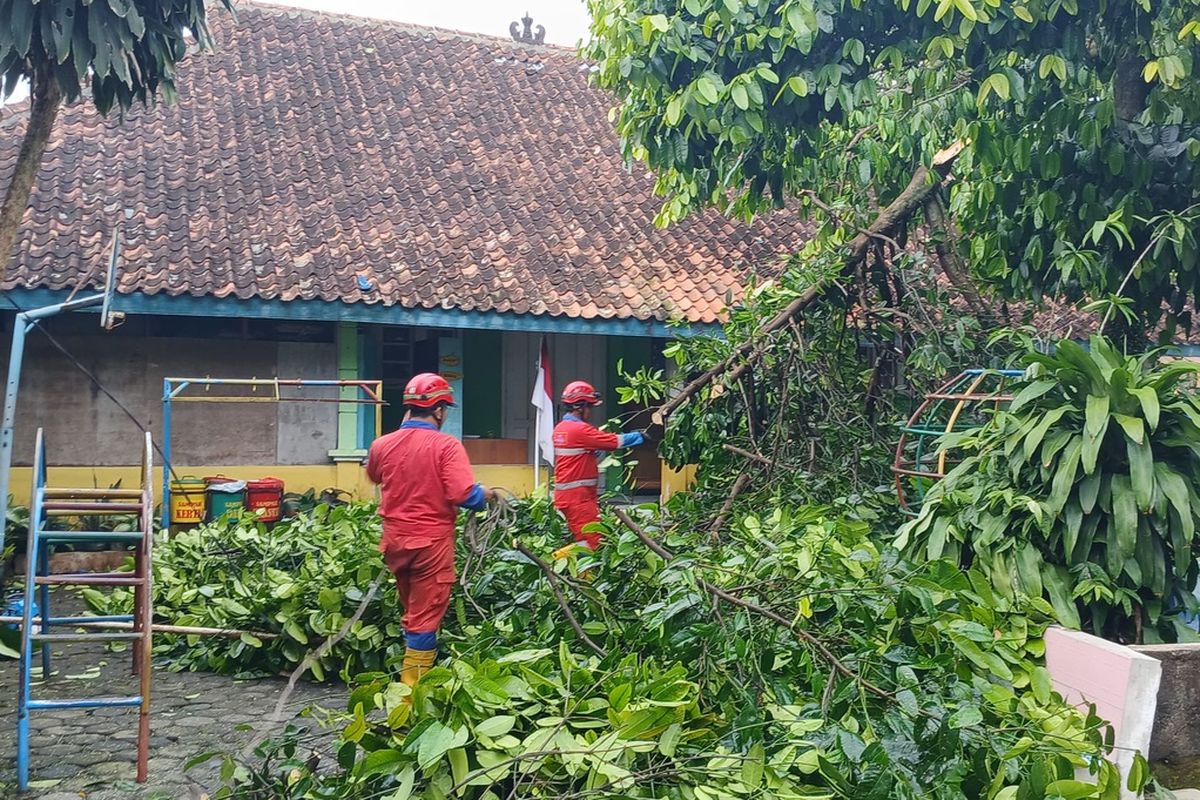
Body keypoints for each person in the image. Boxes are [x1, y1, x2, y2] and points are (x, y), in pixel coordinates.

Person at [365, 372, 494, 688]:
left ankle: (410, 671)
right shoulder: (446, 446)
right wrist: (486, 495)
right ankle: (411, 697)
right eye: (445, 409)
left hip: (394, 542)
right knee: (425, 617)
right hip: (430, 546)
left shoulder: (382, 444)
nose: (445, 414)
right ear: (438, 410)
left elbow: (375, 475)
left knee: (412, 610)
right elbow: (464, 494)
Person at [551, 380, 644, 554]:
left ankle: (573, 572)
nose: (590, 412)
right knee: (593, 542)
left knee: (585, 539)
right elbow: (614, 442)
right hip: (578, 498)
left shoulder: (561, 429)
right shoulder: (579, 430)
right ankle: (557, 561)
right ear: (580, 406)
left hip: (571, 497)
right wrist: (641, 436)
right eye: (590, 407)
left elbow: (580, 454)